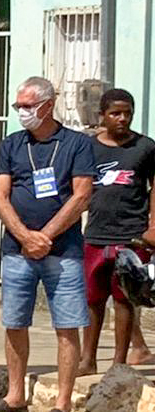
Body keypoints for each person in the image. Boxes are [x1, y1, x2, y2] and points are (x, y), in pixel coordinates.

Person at [0, 76, 95, 412]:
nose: (22, 112)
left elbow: (81, 195)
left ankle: (62, 404)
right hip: (17, 250)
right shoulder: (13, 144)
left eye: (28, 106)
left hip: (63, 251)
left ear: (48, 106)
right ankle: (16, 396)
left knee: (67, 325)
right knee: (15, 321)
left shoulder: (76, 144)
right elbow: (0, 195)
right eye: (19, 106)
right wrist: (24, 235)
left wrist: (44, 236)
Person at [81, 88, 155, 372]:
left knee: (125, 299)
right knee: (93, 299)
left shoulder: (145, 148)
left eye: (127, 113)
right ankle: (87, 359)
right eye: (115, 113)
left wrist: (152, 225)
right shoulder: (88, 147)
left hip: (131, 235)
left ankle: (119, 362)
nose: (122, 119)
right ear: (102, 116)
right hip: (96, 233)